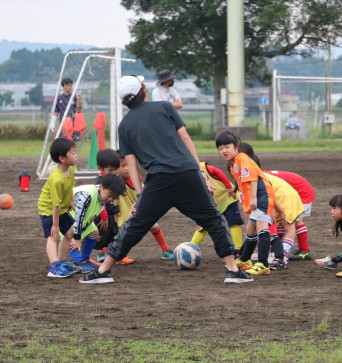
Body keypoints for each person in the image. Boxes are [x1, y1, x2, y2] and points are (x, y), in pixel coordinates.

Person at [80, 75, 253, 284]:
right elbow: (185, 138)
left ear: (124, 101)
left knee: (135, 225)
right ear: (143, 91)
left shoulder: (124, 126)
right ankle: (232, 270)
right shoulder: (165, 107)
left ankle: (103, 271)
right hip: (187, 173)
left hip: (159, 181)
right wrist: (200, 172)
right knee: (213, 219)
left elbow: (131, 162)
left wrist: (140, 193)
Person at [93, 148, 176, 262]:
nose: (127, 169)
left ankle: (166, 250)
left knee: (154, 225)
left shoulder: (137, 179)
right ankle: (105, 252)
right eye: (123, 166)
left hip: (138, 208)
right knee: (111, 230)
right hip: (122, 212)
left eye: (129, 165)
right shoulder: (114, 181)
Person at [216, 131, 276, 276]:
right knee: (250, 230)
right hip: (256, 197)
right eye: (220, 148)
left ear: (237, 146)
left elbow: (253, 178)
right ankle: (244, 260)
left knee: (262, 228)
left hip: (262, 196)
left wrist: (254, 198)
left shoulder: (242, 158)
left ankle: (263, 264)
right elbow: (243, 183)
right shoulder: (234, 163)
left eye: (227, 147)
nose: (223, 150)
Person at [66, 174, 126, 273]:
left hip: (83, 219)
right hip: (66, 216)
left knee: (94, 232)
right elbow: (78, 216)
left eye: (114, 197)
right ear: (101, 186)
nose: (111, 199)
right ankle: (79, 262)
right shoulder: (87, 194)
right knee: (70, 238)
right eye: (110, 195)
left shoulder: (101, 195)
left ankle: (85, 259)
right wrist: (77, 239)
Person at [37, 137, 80, 278]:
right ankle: (54, 267)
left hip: (60, 208)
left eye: (75, 152)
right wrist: (55, 226)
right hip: (49, 209)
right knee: (53, 236)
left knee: (69, 233)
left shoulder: (71, 169)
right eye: (73, 153)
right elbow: (54, 205)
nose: (76, 155)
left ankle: (61, 261)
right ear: (62, 158)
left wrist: (72, 200)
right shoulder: (56, 179)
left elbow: (71, 185)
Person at [190, 161, 244, 253]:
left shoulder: (201, 167)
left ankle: (238, 249)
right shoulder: (186, 178)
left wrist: (229, 187)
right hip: (213, 203)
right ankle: (189, 248)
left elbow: (218, 171)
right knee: (203, 226)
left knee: (234, 222)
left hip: (227, 197)